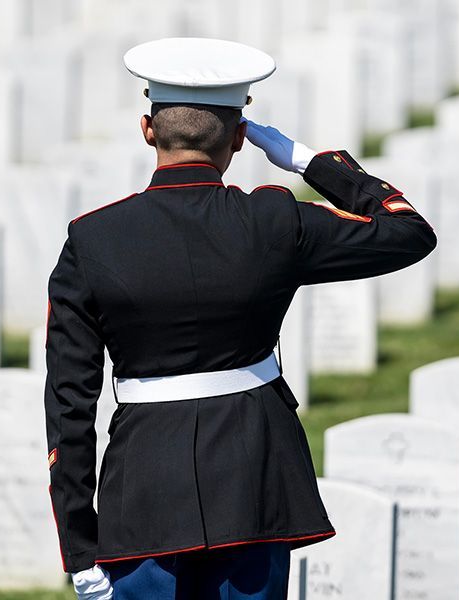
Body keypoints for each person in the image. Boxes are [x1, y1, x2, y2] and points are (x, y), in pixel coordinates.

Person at [44, 37, 437, 600]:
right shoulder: (274, 222)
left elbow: (69, 402)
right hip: (254, 477)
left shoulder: (93, 239)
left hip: (144, 487)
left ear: (148, 129)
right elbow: (409, 231)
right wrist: (306, 159)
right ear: (239, 137)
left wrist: (79, 550)